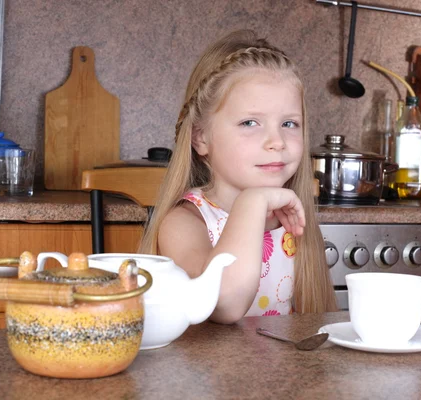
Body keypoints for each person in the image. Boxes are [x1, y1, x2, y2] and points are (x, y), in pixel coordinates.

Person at [139, 30, 337, 324]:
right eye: (249, 122)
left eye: (289, 123)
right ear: (200, 137)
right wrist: (252, 203)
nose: (277, 141)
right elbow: (224, 305)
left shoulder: (293, 220)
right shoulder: (184, 223)